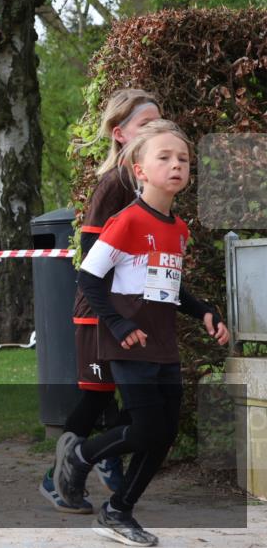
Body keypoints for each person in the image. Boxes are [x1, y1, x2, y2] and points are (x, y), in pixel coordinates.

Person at [54, 122, 231, 547]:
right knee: (149, 428)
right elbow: (90, 279)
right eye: (165, 158)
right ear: (140, 170)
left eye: (184, 159)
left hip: (162, 343)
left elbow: (170, 288)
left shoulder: (180, 229)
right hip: (128, 342)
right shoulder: (127, 221)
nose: (176, 165)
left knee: (163, 433)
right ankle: (81, 456)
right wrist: (118, 324)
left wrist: (203, 311)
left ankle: (118, 510)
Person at [40, 89, 163, 513]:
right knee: (96, 396)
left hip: (133, 313)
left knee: (131, 399)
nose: (156, 132)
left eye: (159, 123)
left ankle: (106, 460)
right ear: (119, 133)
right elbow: (94, 259)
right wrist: (115, 312)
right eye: (146, 126)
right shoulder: (115, 184)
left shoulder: (151, 183)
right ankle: (56, 479)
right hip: (100, 315)